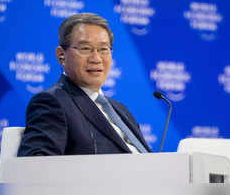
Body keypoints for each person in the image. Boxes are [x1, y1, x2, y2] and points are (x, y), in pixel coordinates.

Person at [17, 13, 152, 156]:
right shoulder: (53, 102)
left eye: (103, 49)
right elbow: (37, 165)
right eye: (85, 48)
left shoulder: (120, 110)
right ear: (61, 55)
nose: (96, 58)